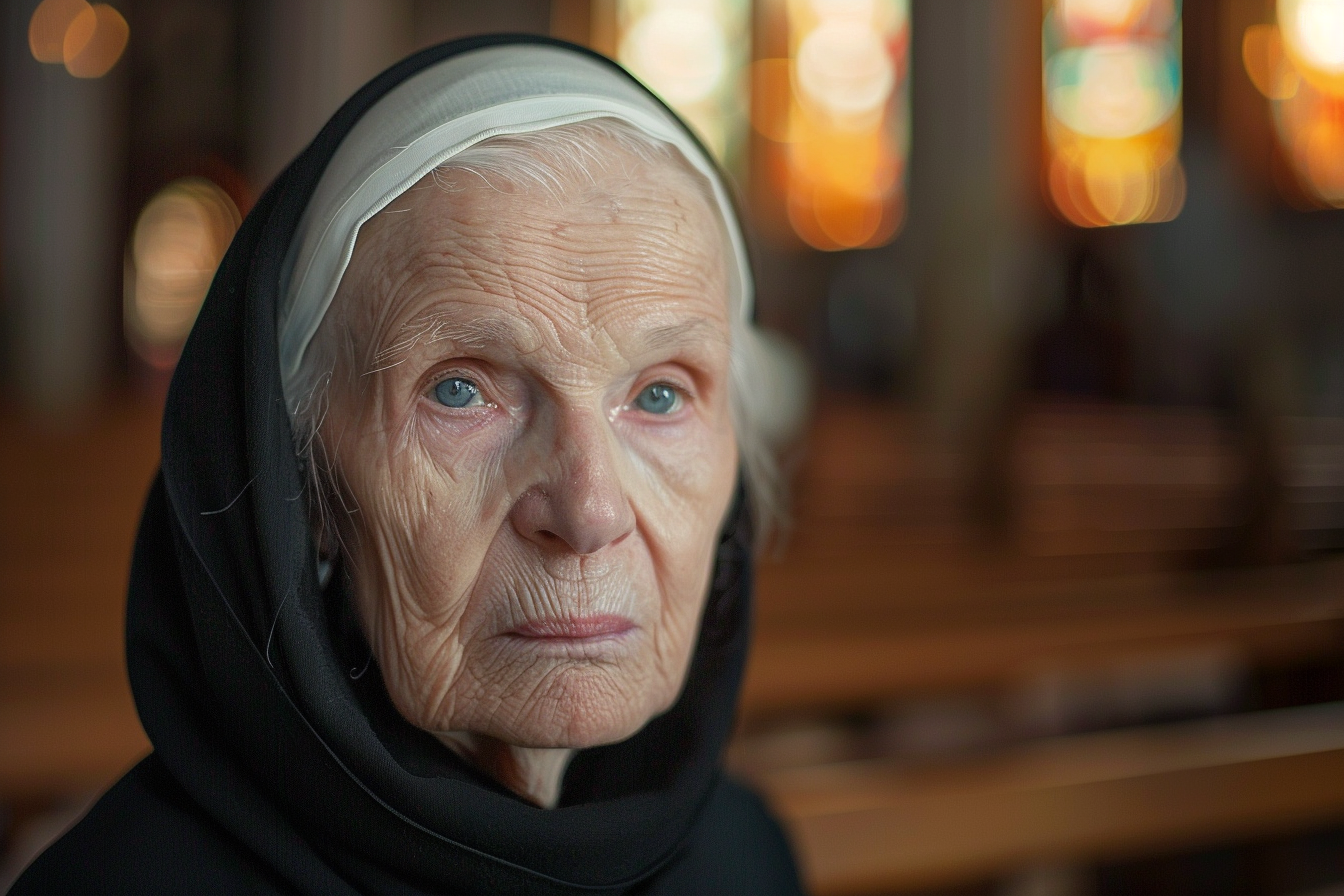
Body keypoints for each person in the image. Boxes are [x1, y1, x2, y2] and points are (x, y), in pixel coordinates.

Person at [12, 36, 803, 895]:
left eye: (658, 396)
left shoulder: (746, 858)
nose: (589, 512)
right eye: (460, 392)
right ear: (303, 476)